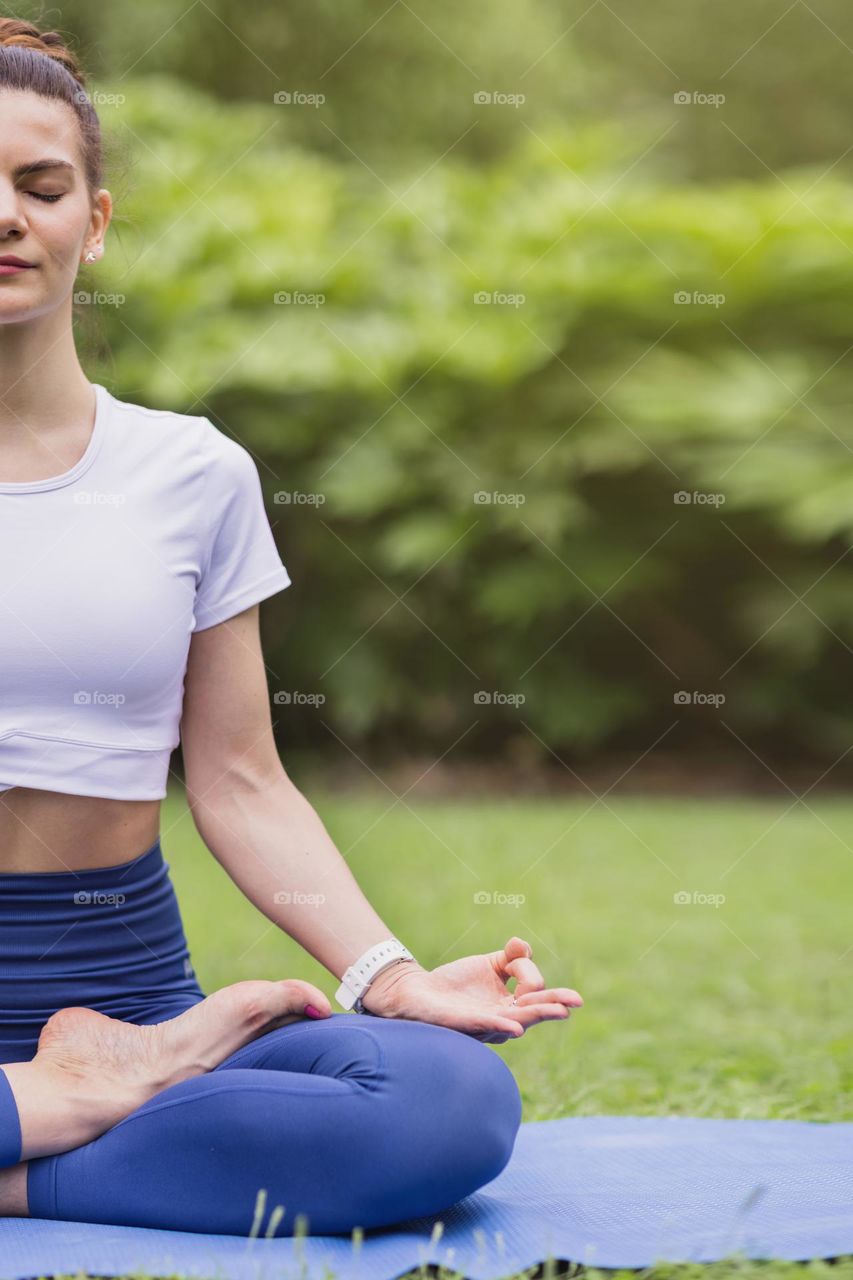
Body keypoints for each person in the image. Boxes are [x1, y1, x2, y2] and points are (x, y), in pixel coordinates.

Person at [0, 18, 583, 1238]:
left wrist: (393, 976)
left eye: (38, 186)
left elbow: (240, 776)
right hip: (106, 1072)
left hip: (129, 1007)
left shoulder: (191, 472)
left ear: (92, 221)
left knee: (446, 1103)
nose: (7, 214)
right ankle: (37, 1129)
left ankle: (69, 1108)